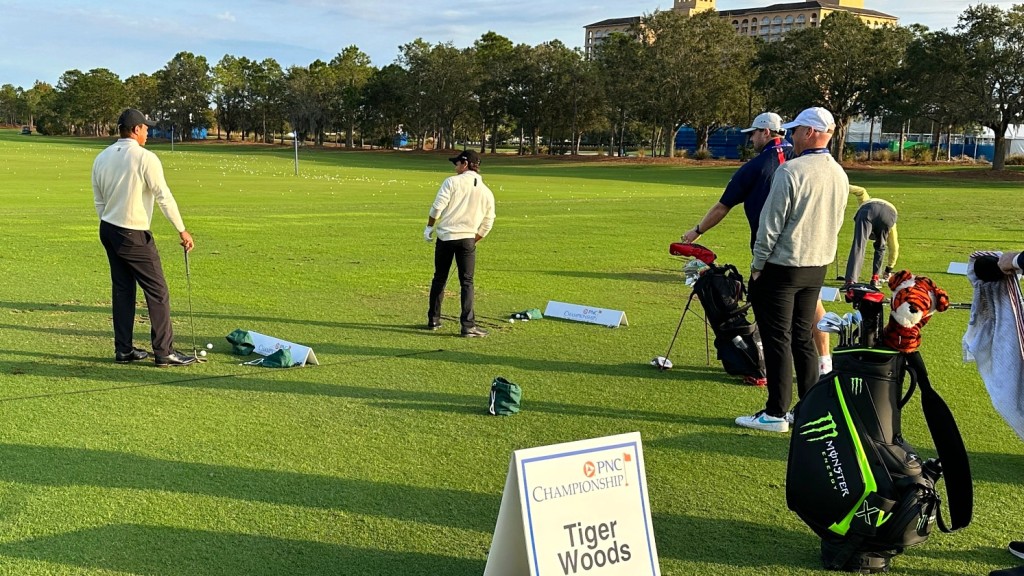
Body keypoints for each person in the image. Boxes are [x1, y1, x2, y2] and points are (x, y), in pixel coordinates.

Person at [683, 112, 833, 375]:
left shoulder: (759, 166)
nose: (750, 138)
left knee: (772, 314)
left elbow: (723, 206)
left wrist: (696, 231)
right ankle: (824, 363)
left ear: (766, 132)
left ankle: (765, 368)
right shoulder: (809, 159)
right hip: (812, 250)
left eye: (753, 133)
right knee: (810, 310)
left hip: (775, 251)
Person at [736, 107, 849, 433]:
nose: (793, 136)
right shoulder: (839, 173)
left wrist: (757, 266)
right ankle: (808, 411)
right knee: (802, 338)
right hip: (816, 267)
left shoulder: (792, 172)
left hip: (782, 268)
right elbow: (837, 222)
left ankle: (775, 412)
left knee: (777, 341)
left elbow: (770, 227)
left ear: (811, 132)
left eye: (798, 130)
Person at [93, 108, 197, 367]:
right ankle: (164, 352)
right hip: (132, 232)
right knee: (157, 291)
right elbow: (163, 196)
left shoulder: (102, 157)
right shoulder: (145, 157)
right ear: (136, 129)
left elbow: (99, 200)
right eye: (146, 128)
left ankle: (124, 350)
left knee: (123, 290)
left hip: (108, 228)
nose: (148, 132)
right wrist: (181, 229)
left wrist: (110, 221)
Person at [425, 149, 495, 337]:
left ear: (465, 164)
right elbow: (488, 222)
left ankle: (433, 319)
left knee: (440, 277)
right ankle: (468, 325)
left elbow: (437, 207)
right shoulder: (486, 191)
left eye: (457, 163)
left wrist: (429, 227)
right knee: (467, 282)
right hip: (467, 240)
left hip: (446, 237)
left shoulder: (451, 182)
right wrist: (474, 239)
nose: (455, 166)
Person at [843, 185, 899, 287]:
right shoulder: (892, 226)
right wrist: (889, 268)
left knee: (859, 245)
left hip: (868, 210)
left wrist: (841, 185)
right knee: (881, 247)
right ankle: (875, 278)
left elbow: (861, 191)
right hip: (889, 215)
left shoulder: (866, 201)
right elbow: (894, 246)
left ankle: (851, 280)